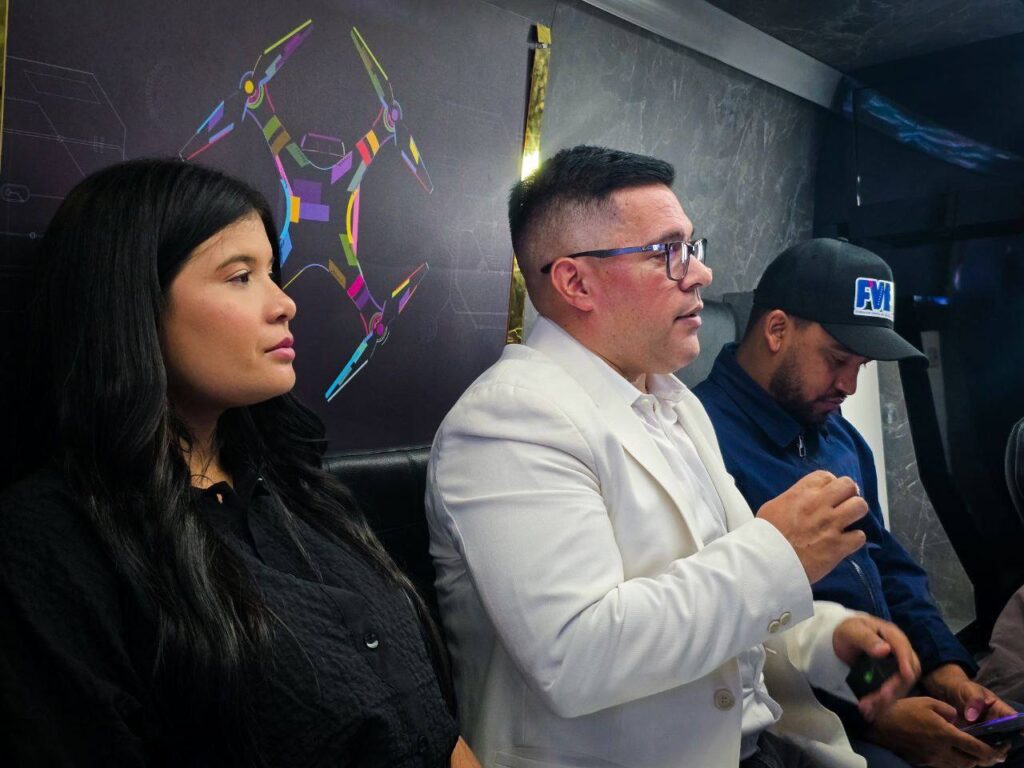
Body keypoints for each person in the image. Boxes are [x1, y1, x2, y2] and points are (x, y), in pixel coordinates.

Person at [425, 145, 922, 768]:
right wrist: (779, 550)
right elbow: (576, 655)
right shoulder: (510, 420)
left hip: (760, 743)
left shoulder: (674, 403)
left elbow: (733, 604)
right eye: (667, 253)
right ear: (576, 282)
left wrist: (827, 640)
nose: (700, 274)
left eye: (692, 247)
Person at [0, 159, 479, 768]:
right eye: (240, 277)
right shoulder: (53, 541)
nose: (285, 304)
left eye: (271, 273)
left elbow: (432, 726)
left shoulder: (298, 490)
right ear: (133, 302)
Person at [694, 238, 1016, 768]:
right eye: (837, 359)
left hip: (880, 682)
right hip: (803, 719)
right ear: (777, 330)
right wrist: (877, 715)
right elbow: (742, 632)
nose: (848, 385)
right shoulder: (703, 444)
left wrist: (945, 671)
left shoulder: (837, 436)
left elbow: (886, 565)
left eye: (860, 365)